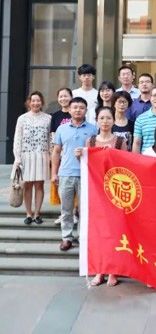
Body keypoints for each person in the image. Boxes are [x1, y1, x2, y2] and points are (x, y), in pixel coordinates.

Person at [80, 106, 127, 287]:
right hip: (96, 193)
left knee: (114, 233)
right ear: (97, 121)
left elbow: (126, 165)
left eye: (108, 118)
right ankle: (100, 270)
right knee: (99, 232)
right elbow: (87, 164)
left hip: (115, 193)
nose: (105, 121)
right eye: (102, 118)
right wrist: (80, 156)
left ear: (114, 121)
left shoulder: (120, 141)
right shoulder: (91, 141)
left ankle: (113, 271)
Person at [51, 97, 97, 251]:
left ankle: (83, 237)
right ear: (69, 110)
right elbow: (56, 152)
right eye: (75, 107)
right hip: (66, 173)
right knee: (66, 209)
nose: (78, 110)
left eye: (81, 108)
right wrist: (54, 173)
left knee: (85, 209)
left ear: (86, 110)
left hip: (86, 174)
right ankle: (67, 237)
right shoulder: (61, 129)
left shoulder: (93, 129)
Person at [13, 91, 51, 225]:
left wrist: (51, 156)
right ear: (29, 103)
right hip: (26, 155)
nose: (36, 103)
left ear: (42, 102)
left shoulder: (48, 118)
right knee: (27, 185)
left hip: (42, 155)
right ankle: (28, 213)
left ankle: (37, 213)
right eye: (33, 100)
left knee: (40, 185)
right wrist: (17, 157)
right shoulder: (22, 118)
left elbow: (50, 138)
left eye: (38, 100)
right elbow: (18, 139)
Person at [50, 88, 73, 225]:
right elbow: (53, 135)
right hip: (60, 155)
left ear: (71, 97)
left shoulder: (75, 112)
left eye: (66, 96)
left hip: (72, 155)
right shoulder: (55, 116)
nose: (63, 99)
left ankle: (75, 213)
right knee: (61, 186)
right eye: (61, 96)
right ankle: (63, 214)